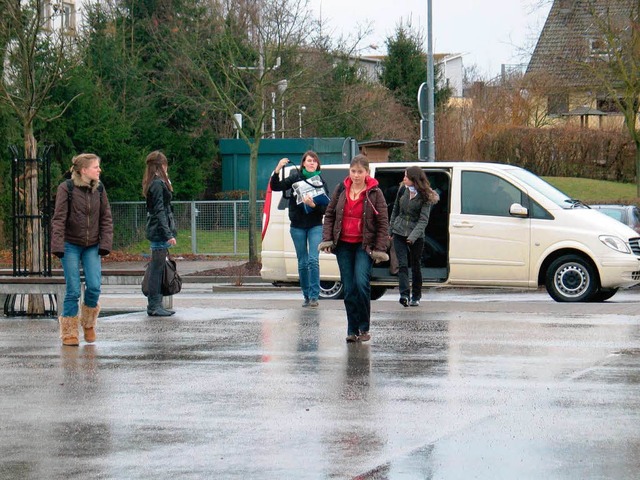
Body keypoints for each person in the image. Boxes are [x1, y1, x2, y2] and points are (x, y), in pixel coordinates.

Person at [319, 155, 389, 343]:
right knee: (349, 288)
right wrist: (327, 239)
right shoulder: (341, 189)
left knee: (361, 284)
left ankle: (364, 328)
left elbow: (383, 222)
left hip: (364, 247)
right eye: (353, 171)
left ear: (367, 172)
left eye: (360, 172)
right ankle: (352, 329)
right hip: (343, 246)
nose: (356, 175)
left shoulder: (375, 193)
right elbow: (330, 214)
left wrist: (380, 248)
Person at [51, 153, 113, 346]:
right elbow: (59, 218)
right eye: (96, 167)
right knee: (73, 290)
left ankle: (88, 323)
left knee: (94, 286)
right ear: (84, 170)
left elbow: (106, 218)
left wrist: (105, 244)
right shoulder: (66, 188)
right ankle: (69, 331)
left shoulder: (100, 189)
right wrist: (58, 245)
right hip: (70, 244)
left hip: (92, 245)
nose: (99, 170)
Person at [270, 150, 329, 307]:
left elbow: (326, 208)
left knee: (313, 260)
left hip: (315, 225)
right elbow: (276, 186)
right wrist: (278, 169)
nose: (311, 163)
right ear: (303, 163)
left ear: (317, 164)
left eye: (314, 161)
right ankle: (306, 295)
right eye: (309, 160)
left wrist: (313, 205)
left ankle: (315, 296)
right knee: (302, 262)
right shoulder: (295, 177)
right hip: (297, 226)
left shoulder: (321, 181)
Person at [389, 166, 439, 308]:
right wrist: (391, 229)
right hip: (399, 231)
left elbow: (423, 220)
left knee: (416, 265)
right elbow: (395, 211)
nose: (404, 178)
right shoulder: (402, 190)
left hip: (416, 235)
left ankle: (416, 296)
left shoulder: (426, 196)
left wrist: (412, 237)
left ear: (414, 179)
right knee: (402, 264)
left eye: (407, 177)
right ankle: (404, 294)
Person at [142, 151, 177, 317]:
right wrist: (168, 233)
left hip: (157, 229)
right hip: (159, 231)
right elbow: (160, 210)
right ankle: (154, 305)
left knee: (158, 267)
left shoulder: (155, 182)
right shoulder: (157, 183)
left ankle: (156, 304)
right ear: (161, 165)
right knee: (157, 268)